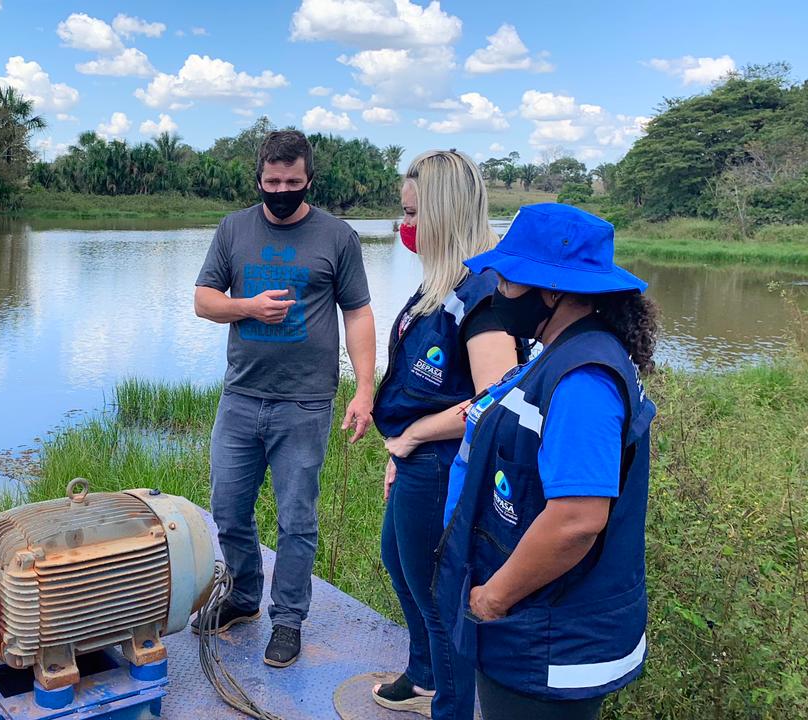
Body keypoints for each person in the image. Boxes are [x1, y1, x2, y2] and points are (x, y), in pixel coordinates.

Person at [435, 203, 659, 720]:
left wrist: (492, 598)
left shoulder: (584, 381)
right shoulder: (559, 351)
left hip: (549, 642)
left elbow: (576, 520)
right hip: (533, 626)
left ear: (553, 291)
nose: (498, 293)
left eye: (511, 282)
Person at [192, 130, 376, 668]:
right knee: (228, 509)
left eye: (293, 182)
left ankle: (288, 619)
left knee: (296, 519)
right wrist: (247, 307)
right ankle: (244, 598)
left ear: (309, 180)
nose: (282, 190)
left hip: (306, 403)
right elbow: (204, 301)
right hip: (242, 396)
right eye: (272, 181)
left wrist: (364, 389)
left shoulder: (338, 236)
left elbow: (358, 312)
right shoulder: (233, 229)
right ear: (259, 180)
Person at [369, 150, 520, 719]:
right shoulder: (443, 283)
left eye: (411, 213)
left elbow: (496, 398)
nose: (402, 225)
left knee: (439, 596)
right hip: (414, 457)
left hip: (440, 464)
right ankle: (425, 672)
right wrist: (399, 447)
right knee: (397, 560)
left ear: (443, 213)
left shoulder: (483, 296)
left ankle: (451, 708)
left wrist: (415, 437)